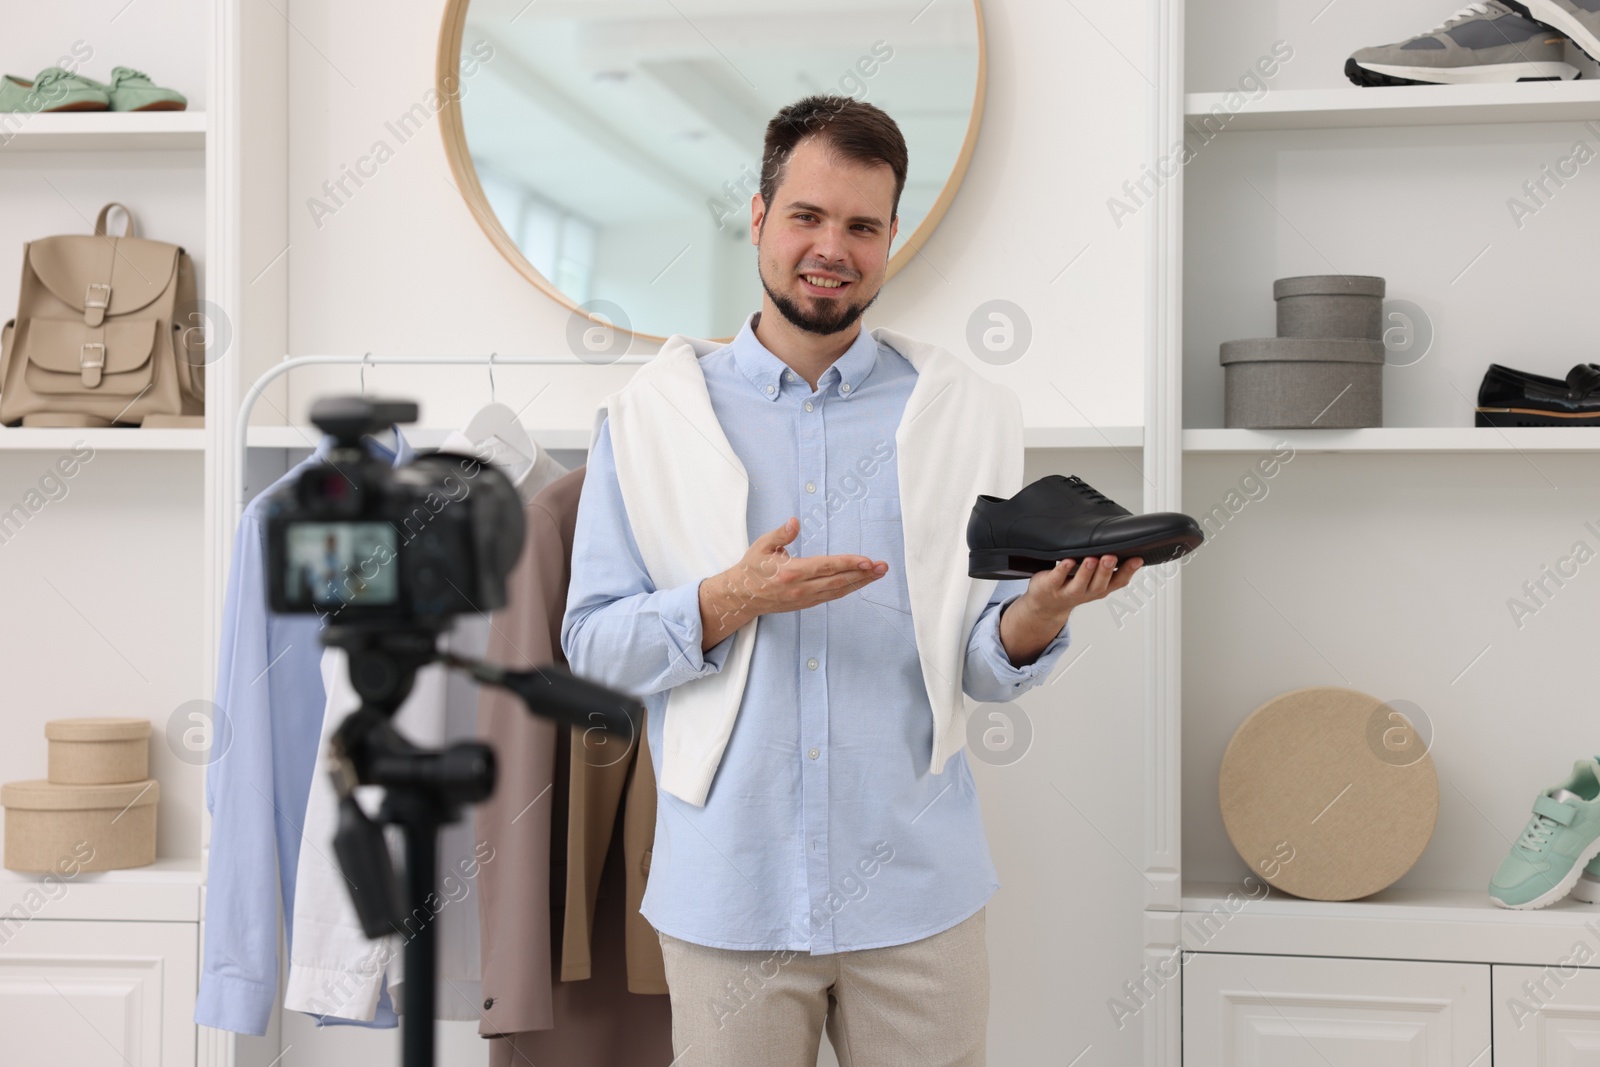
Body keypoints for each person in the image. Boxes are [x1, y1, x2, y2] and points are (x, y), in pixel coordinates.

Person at [562, 95, 1141, 1067]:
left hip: (918, 896)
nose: (831, 246)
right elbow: (592, 644)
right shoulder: (649, 418)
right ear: (757, 218)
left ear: (888, 238)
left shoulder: (964, 412)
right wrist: (725, 600)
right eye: (807, 216)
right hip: (728, 898)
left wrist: (1035, 614)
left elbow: (978, 665)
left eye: (861, 225)